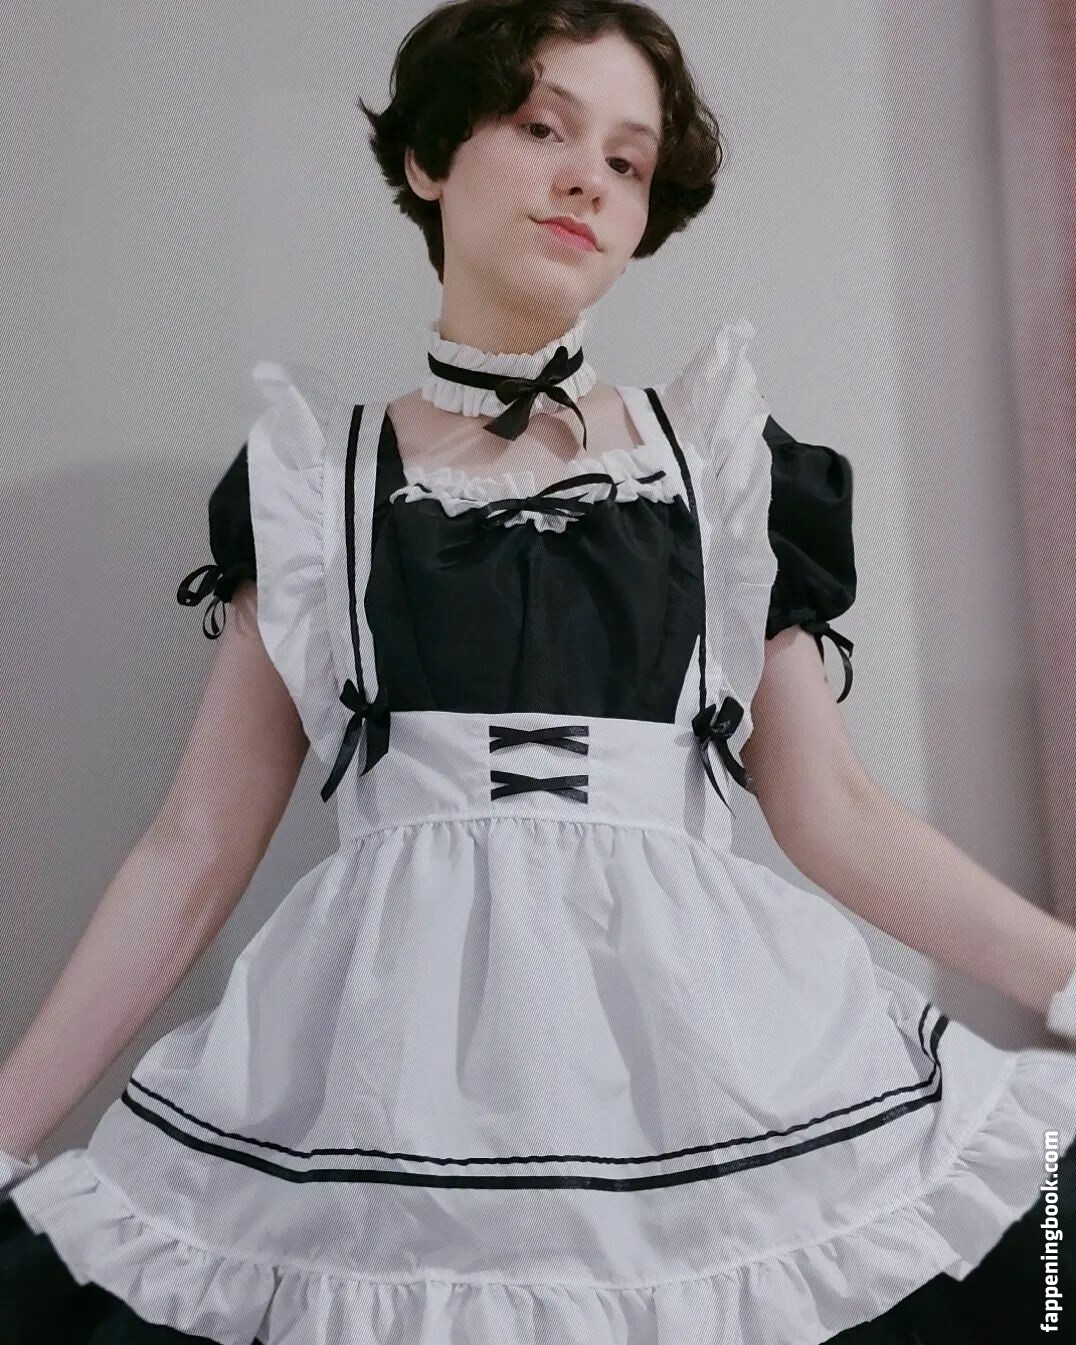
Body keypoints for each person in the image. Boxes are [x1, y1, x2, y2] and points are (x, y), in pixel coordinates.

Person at [2, 2, 1075, 1341]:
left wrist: (1068, 975)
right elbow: (196, 845)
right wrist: (8, 1124)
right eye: (542, 127)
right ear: (429, 160)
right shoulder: (314, 485)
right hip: (393, 1098)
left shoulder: (722, 471)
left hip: (709, 1078)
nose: (588, 181)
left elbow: (836, 811)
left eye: (627, 160)